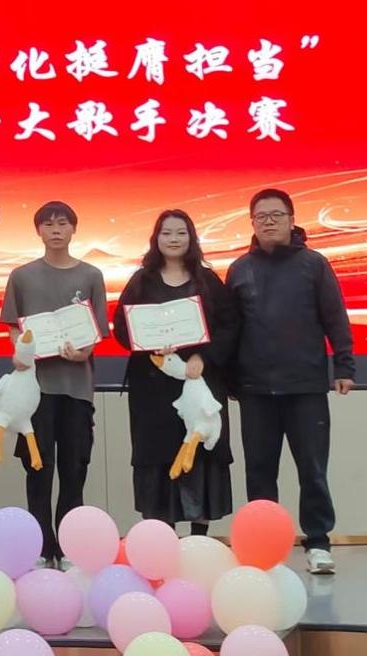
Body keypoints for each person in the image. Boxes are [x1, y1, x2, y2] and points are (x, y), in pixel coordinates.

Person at [226, 188, 355, 575]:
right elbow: (230, 330)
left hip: (306, 387)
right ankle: (263, 547)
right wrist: (229, 380)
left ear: (292, 219)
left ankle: (318, 543)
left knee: (312, 470)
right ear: (252, 223)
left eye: (276, 215)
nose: (268, 222)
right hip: (255, 390)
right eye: (261, 216)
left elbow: (335, 316)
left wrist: (344, 366)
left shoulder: (314, 265)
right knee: (259, 472)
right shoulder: (239, 269)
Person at [112, 209, 239, 535]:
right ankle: (162, 540)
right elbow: (122, 327)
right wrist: (149, 345)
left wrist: (203, 357)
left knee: (201, 451)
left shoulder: (208, 281)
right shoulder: (141, 281)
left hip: (199, 382)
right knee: (157, 456)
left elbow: (230, 326)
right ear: (156, 238)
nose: (173, 239)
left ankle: (199, 540)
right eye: (166, 233)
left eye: (181, 233)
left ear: (191, 238)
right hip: (153, 388)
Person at [0, 201, 108, 569]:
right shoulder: (22, 276)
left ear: (74, 229)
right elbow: (14, 326)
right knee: (38, 468)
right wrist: (21, 351)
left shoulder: (91, 275)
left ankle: (70, 546)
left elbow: (96, 332)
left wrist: (83, 352)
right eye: (48, 224)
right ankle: (41, 548)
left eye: (63, 223)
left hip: (77, 388)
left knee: (75, 469)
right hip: (36, 391)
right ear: (39, 231)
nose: (56, 230)